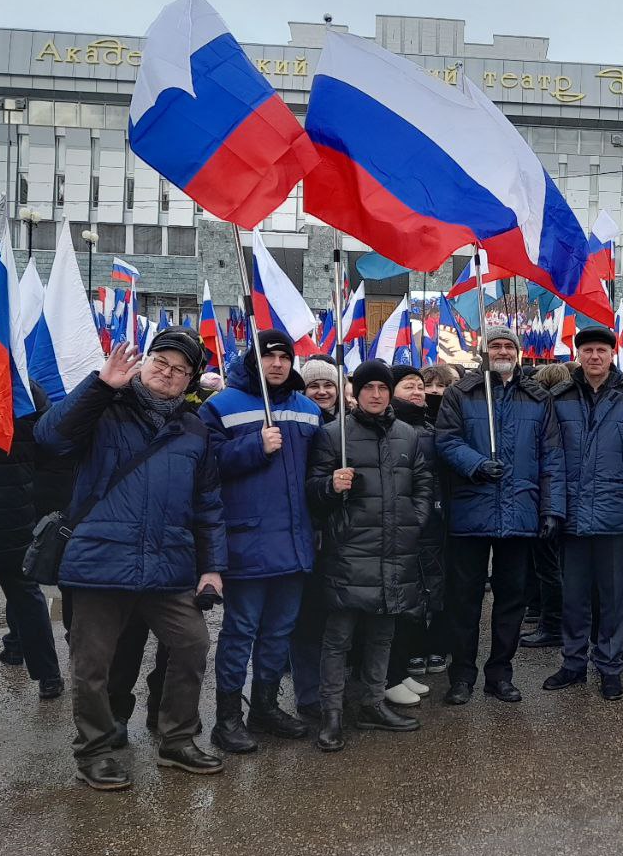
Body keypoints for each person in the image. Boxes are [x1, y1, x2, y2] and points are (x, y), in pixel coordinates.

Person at [35, 333, 227, 790]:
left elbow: (209, 504)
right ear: (143, 364)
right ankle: (95, 752)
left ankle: (176, 740)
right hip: (100, 562)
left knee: (192, 645)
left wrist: (212, 567)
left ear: (189, 381)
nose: (168, 372)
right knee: (92, 665)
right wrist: (100, 385)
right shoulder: (105, 407)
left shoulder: (194, 428)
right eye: (161, 361)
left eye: (181, 369)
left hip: (168, 567)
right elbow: (49, 437)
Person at [198, 330, 321, 752]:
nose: (278, 364)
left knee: (279, 632)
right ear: (255, 360)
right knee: (240, 632)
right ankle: (227, 717)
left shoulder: (307, 409)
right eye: (269, 356)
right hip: (247, 542)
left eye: (285, 357)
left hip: (295, 543)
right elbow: (204, 466)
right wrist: (254, 445)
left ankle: (265, 708)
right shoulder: (222, 406)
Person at [434, 326, 566, 704]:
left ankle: (500, 674)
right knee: (465, 600)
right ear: (484, 351)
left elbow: (551, 458)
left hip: (520, 512)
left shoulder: (537, 398)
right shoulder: (462, 392)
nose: (503, 350)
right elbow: (446, 439)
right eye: (496, 345)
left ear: (519, 352)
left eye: (509, 345)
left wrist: (552, 508)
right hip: (471, 511)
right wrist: (474, 464)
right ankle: (462, 675)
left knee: (511, 599)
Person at [306, 360, 432, 750]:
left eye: (382, 387)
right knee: (338, 637)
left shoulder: (408, 435)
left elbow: (424, 483)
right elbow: (312, 492)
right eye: (368, 388)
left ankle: (374, 704)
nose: (376, 395)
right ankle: (331, 715)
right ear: (356, 393)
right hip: (350, 551)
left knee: (382, 634)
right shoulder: (333, 435)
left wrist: (416, 519)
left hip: (395, 549)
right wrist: (329, 484)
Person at [544, 327, 623, 701]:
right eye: (588, 350)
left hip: (617, 513)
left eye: (602, 350)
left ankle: (610, 666)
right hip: (573, 515)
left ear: (612, 354)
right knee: (574, 596)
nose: (595, 356)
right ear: (578, 354)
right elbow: (549, 456)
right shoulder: (558, 397)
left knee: (613, 596)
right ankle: (574, 663)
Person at [0, 315, 63, 718]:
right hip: (14, 513)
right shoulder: (19, 384)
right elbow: (50, 441)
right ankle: (49, 676)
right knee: (26, 595)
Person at [381, 363, 445, 704]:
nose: (418, 392)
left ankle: (400, 669)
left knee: (424, 590)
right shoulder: (393, 426)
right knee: (399, 598)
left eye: (420, 386)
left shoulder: (429, 424)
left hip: (430, 519)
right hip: (401, 523)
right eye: (410, 386)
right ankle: (391, 672)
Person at [519, 361, 571, 651]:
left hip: (547, 495)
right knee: (554, 566)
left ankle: (553, 625)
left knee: (549, 567)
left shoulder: (547, 409)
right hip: (556, 495)